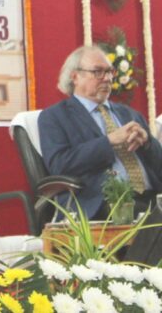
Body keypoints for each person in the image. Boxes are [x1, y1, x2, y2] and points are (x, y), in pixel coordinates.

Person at [39, 45, 162, 220]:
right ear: (75, 77)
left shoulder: (130, 115)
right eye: (98, 72)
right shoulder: (55, 116)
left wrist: (148, 143)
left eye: (110, 72)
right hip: (103, 202)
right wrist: (109, 141)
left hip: (152, 198)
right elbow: (59, 164)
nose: (107, 78)